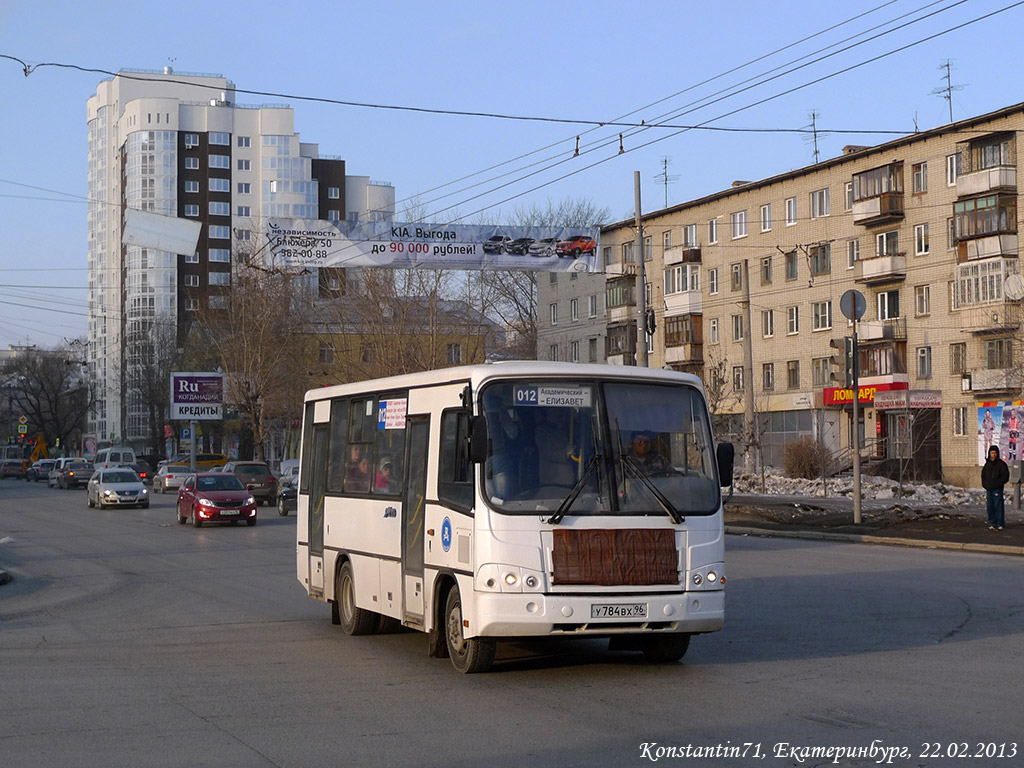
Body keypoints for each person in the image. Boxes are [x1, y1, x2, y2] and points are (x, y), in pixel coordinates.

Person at [981, 445, 1009, 531]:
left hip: (997, 489)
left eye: (995, 453)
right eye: (992, 453)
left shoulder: (1001, 464)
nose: (993, 455)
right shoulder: (987, 464)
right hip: (989, 489)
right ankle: (993, 522)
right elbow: (983, 476)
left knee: (998, 506)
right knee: (990, 506)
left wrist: (997, 485)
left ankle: (1000, 523)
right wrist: (985, 485)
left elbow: (1005, 477)